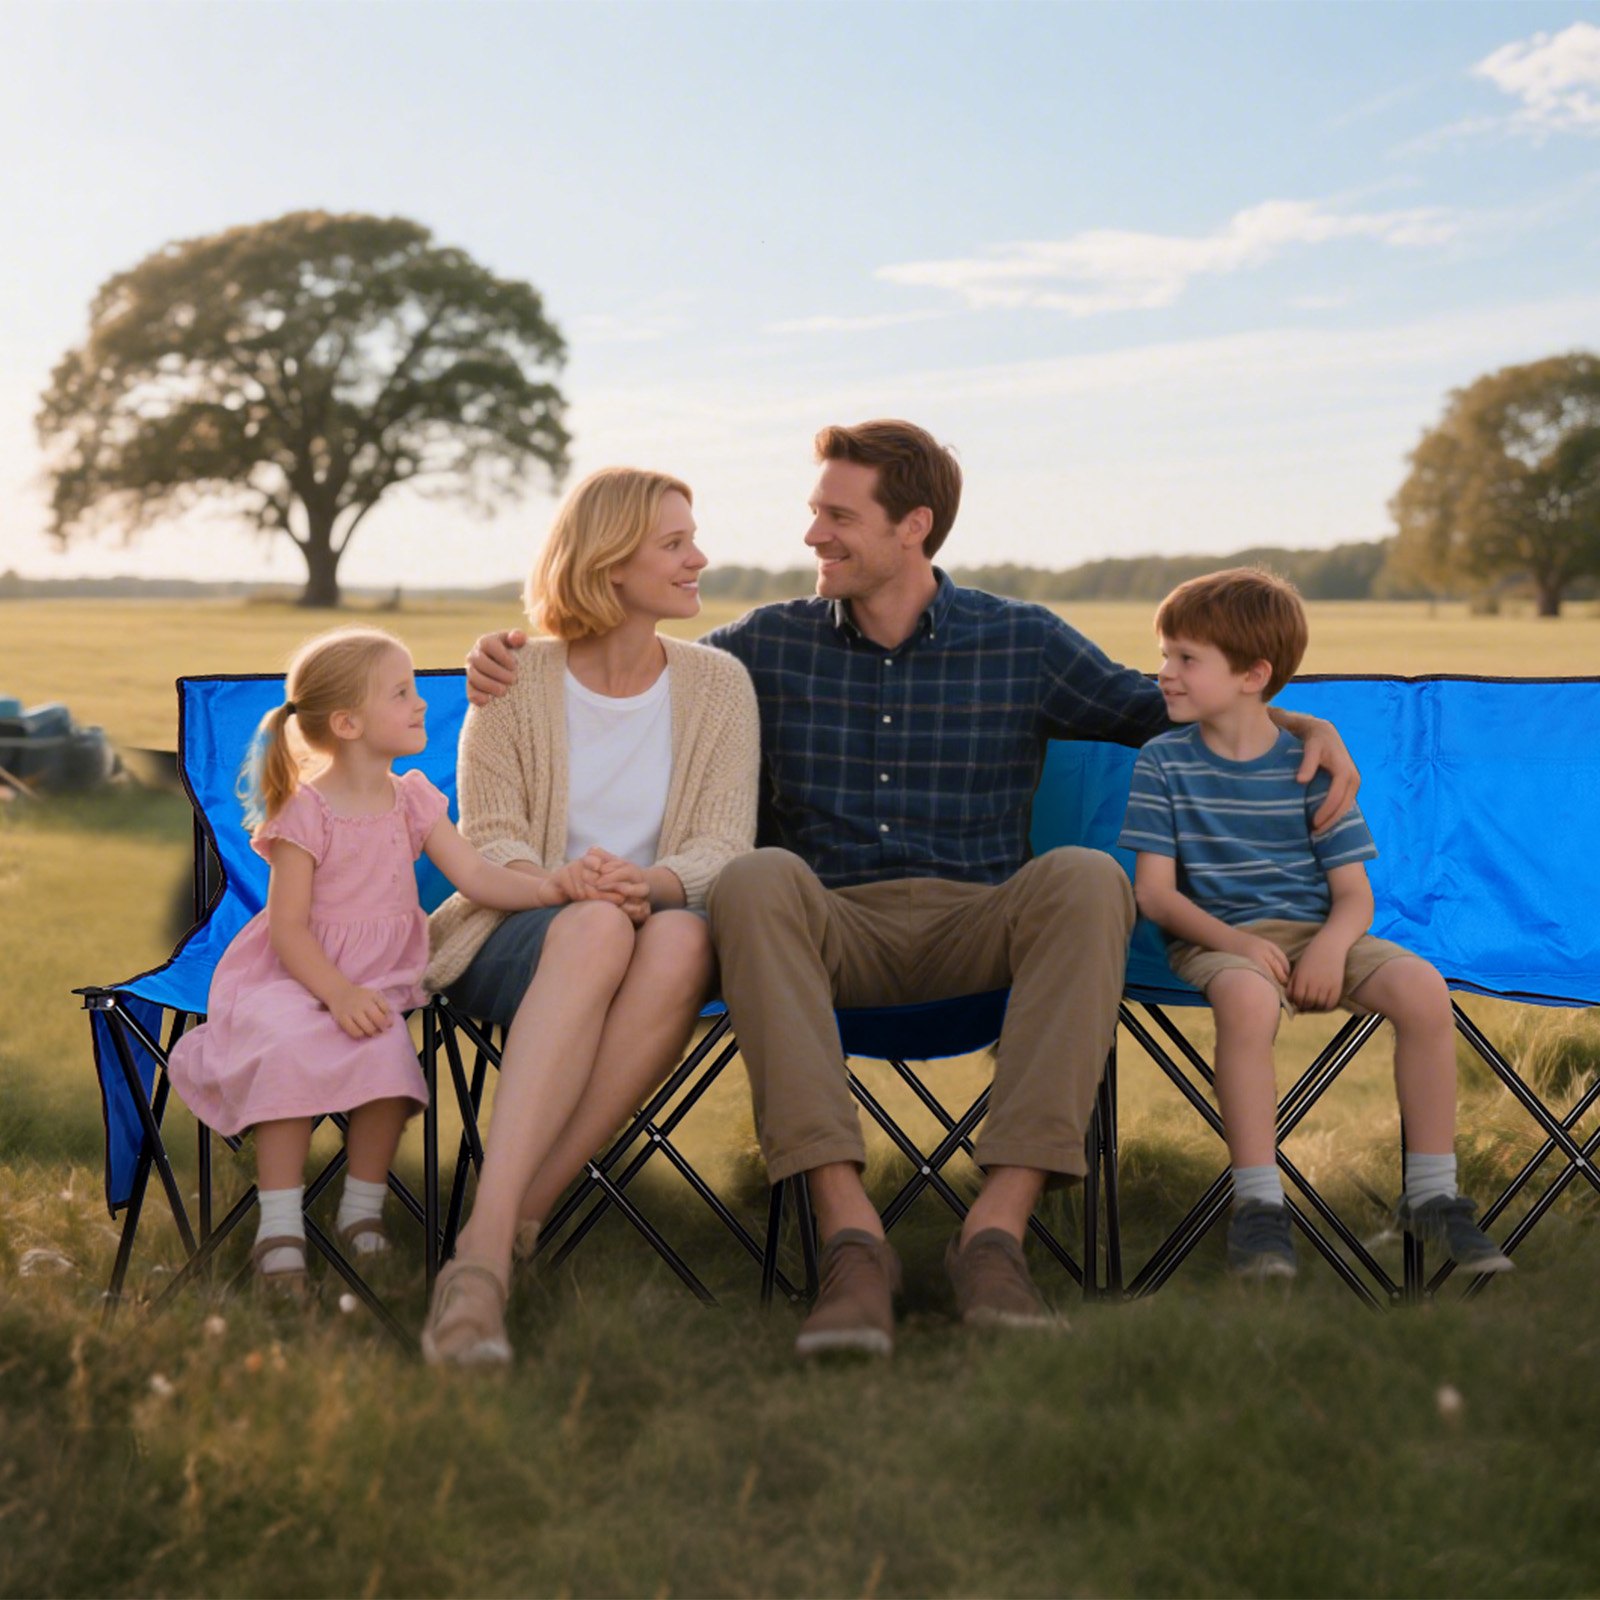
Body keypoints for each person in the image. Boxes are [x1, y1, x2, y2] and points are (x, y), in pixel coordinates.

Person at [467, 420, 1360, 1357]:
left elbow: (1166, 712)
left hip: (978, 925)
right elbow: (629, 658)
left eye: (837, 516)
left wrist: (1299, 725)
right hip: (827, 932)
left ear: (914, 526)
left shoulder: (1021, 639)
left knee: (1090, 880)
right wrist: (513, 654)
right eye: (815, 512)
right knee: (757, 875)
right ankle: (851, 1242)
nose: (812, 535)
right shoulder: (759, 651)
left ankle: (996, 1235)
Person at [422, 467, 759, 1367]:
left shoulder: (720, 686)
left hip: (655, 928)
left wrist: (646, 886)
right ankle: (489, 1247)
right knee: (602, 928)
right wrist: (565, 885)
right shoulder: (514, 680)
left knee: (683, 932)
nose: (700, 558)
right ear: (610, 563)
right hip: (515, 931)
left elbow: (724, 846)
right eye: (675, 543)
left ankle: (509, 1229)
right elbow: (487, 839)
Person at [1119, 568, 1512, 1279]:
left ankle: (1431, 1192)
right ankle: (1259, 1207)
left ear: (1252, 675)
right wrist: (1238, 943)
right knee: (1246, 997)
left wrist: (1331, 948)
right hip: (1214, 936)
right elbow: (1155, 896)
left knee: (1423, 988)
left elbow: (1354, 896)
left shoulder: (1311, 766)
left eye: (1185, 659)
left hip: (1316, 931)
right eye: (1164, 655)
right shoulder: (1162, 763)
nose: (1164, 674)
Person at [167, 626, 563, 1300]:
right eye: (401, 693)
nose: (420, 705)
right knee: (289, 1051)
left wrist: (554, 889)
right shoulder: (304, 810)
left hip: (380, 979)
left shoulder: (411, 798)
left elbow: (475, 874)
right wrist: (338, 992)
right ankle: (281, 1227)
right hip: (295, 975)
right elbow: (288, 930)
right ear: (348, 723)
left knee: (389, 1069)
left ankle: (360, 1211)